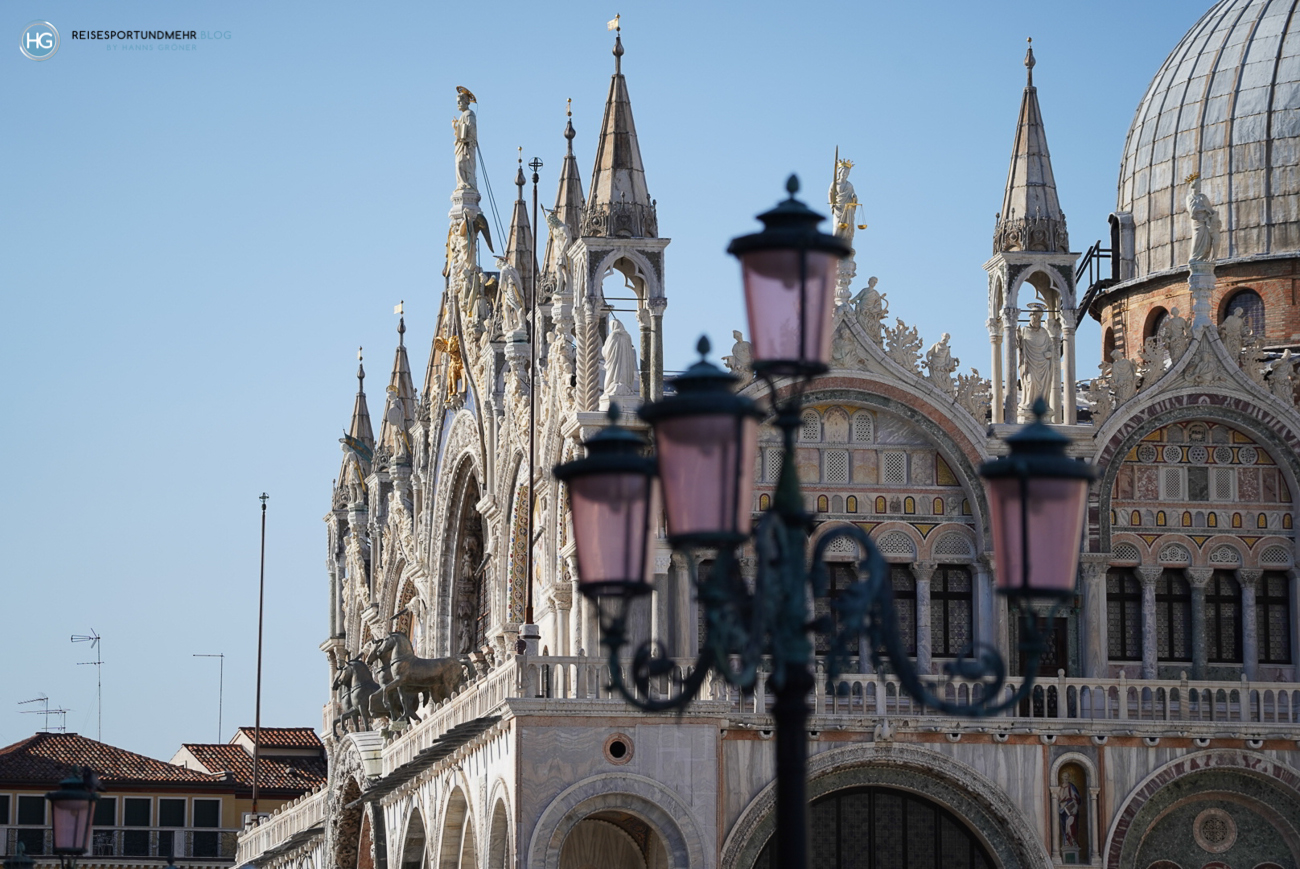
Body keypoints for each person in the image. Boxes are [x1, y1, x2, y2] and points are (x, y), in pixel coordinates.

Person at [1017, 304, 1055, 421]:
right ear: (1030, 316)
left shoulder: (1044, 332)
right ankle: (1028, 402)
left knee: (1043, 386)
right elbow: (1018, 345)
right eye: (1035, 316)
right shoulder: (1024, 330)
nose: (1037, 319)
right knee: (1031, 382)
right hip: (1030, 363)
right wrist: (1017, 337)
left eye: (1040, 317)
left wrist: (1049, 353)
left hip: (1043, 363)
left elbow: (1050, 346)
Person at [453, 86, 477, 192]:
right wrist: (456, 127)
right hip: (461, 145)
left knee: (462, 163)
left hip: (467, 146)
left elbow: (472, 130)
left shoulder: (469, 114)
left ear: (466, 101)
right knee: (458, 164)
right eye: (457, 102)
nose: (458, 104)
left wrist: (466, 136)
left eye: (460, 102)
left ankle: (466, 183)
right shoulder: (463, 115)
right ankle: (461, 184)